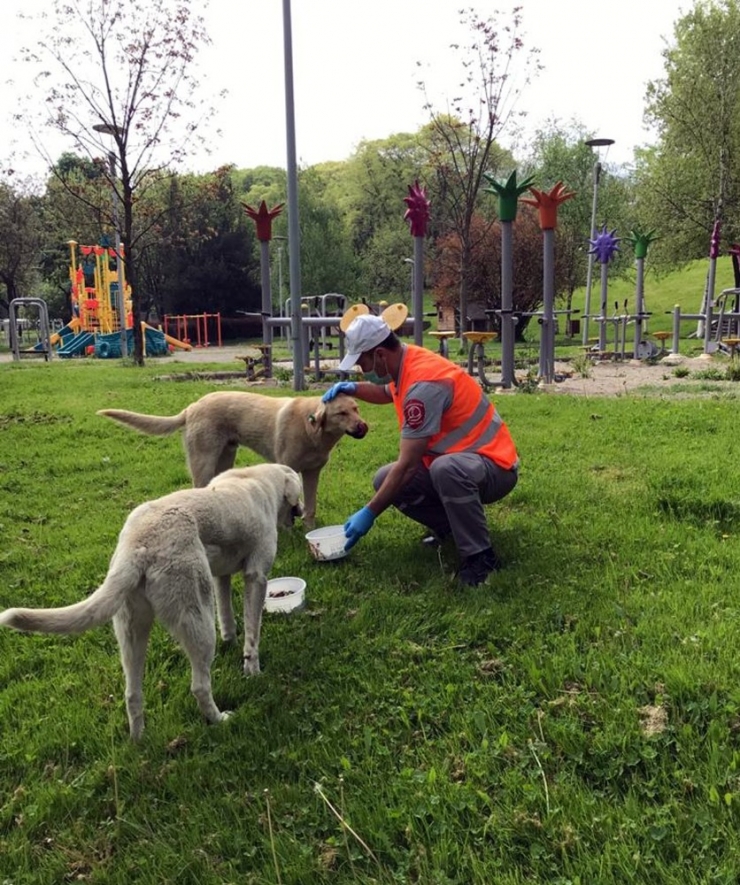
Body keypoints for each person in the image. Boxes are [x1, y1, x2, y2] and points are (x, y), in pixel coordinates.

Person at [322, 314, 519, 586]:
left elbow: (408, 466)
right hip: (465, 461)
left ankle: (481, 558)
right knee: (383, 478)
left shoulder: (423, 385)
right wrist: (352, 388)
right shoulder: (406, 360)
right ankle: (451, 528)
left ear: (379, 354)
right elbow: (386, 393)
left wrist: (369, 512)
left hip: (495, 466)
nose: (360, 368)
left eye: (362, 361)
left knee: (442, 470)